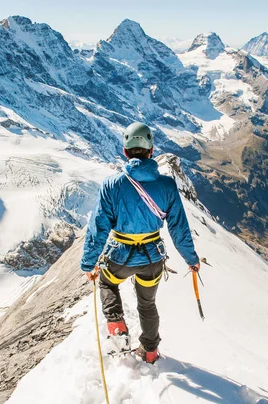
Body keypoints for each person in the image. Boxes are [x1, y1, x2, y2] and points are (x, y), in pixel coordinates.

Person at [80, 122, 200, 364]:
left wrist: (88, 264)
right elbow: (178, 227)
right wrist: (191, 259)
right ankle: (150, 351)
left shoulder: (111, 185)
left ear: (125, 152)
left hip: (119, 256)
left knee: (107, 283)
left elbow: (98, 228)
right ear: (151, 151)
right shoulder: (167, 185)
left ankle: (116, 325)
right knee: (147, 304)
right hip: (152, 257)